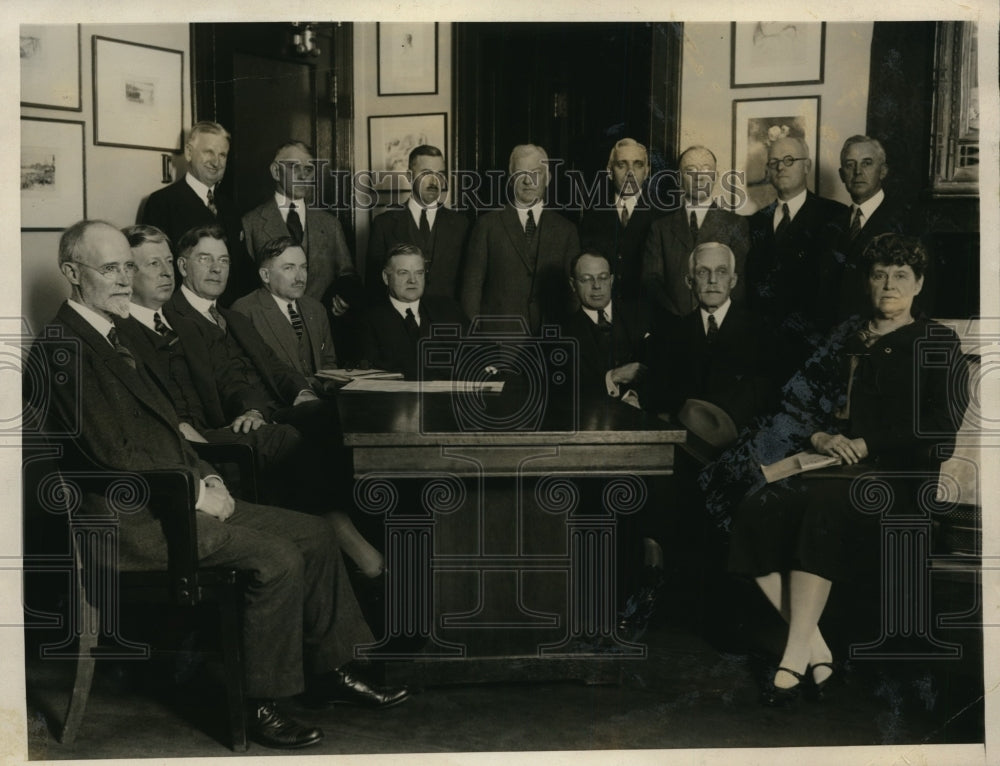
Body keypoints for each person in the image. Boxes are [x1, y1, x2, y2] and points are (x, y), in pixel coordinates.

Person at [28, 220, 408, 749]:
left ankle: (329, 673)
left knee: (315, 536)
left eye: (127, 267)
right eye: (109, 268)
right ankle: (260, 702)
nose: (124, 279)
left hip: (173, 497)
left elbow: (165, 429)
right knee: (277, 558)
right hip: (134, 523)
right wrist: (196, 489)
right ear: (72, 273)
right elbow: (110, 453)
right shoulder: (64, 345)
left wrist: (206, 473)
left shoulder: (113, 334)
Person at [726, 233, 966, 705]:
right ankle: (816, 648)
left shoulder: (936, 340)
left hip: (897, 479)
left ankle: (793, 658)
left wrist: (867, 441)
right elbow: (797, 403)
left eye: (901, 276)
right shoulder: (844, 336)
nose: (889, 286)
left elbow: (941, 429)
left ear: (918, 284)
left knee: (820, 508)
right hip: (831, 465)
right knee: (754, 504)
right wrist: (819, 436)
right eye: (879, 275)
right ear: (866, 282)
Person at [115, 224, 304, 495]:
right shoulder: (119, 332)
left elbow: (228, 377)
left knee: (289, 436)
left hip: (212, 431)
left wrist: (251, 410)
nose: (166, 272)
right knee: (284, 440)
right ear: (128, 273)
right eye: (154, 263)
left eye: (168, 261)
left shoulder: (187, 325)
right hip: (176, 444)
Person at [242, 140, 365, 361]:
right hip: (271, 334)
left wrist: (342, 297)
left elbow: (347, 272)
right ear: (275, 171)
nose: (303, 174)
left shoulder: (329, 224)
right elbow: (247, 284)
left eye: (308, 169)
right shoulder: (251, 223)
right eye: (293, 167)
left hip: (321, 333)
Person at [647, 242, 777, 441]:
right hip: (686, 449)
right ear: (689, 281)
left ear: (733, 280)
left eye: (722, 271)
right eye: (702, 272)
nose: (713, 280)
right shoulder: (670, 334)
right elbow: (660, 400)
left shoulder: (762, 331)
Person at [744, 135, 847, 381]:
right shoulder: (754, 222)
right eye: (774, 161)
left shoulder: (835, 216)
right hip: (764, 353)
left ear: (807, 166)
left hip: (813, 351)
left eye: (789, 160)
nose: (781, 167)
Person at [460, 143, 580, 333]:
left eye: (536, 173)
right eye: (520, 174)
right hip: (499, 345)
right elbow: (471, 293)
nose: (527, 181)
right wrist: (480, 346)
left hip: (552, 345)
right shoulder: (486, 225)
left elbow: (574, 295)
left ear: (547, 178)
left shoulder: (566, 230)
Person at [140, 121, 255, 306]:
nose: (216, 162)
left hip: (230, 313)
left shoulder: (230, 208)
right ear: (188, 152)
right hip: (184, 314)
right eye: (208, 152)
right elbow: (155, 270)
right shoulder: (162, 203)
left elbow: (242, 267)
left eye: (222, 155)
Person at [642, 145, 750, 321]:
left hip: (718, 327)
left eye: (706, 170)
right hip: (673, 326)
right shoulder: (660, 228)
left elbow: (739, 283)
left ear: (715, 177)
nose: (699, 178)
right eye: (690, 171)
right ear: (678, 178)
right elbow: (651, 281)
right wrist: (678, 319)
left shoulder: (735, 224)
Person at [366, 144, 470, 302]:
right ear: (409, 176)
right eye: (426, 173)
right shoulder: (384, 224)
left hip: (447, 320)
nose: (434, 181)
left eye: (440, 174)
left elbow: (469, 283)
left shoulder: (461, 224)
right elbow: (374, 286)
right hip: (398, 322)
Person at [232, 236, 339, 383]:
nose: (300, 277)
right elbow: (246, 375)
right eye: (289, 268)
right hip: (279, 403)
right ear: (265, 275)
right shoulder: (245, 311)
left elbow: (329, 362)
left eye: (303, 267)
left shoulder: (315, 309)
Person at [361, 243, 468, 379]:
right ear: (385, 277)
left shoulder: (448, 308)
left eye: (419, 273)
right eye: (403, 273)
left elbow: (483, 351)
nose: (413, 280)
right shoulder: (370, 319)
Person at [834, 135, 911, 320]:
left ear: (883, 171)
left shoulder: (907, 222)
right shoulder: (832, 223)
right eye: (850, 165)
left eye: (867, 163)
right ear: (842, 174)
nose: (858, 172)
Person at [578, 138, 663, 301]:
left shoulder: (662, 216)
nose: (630, 172)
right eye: (621, 165)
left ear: (646, 171)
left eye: (637, 164)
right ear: (609, 171)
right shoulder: (592, 216)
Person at [560, 249, 648, 404]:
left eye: (603, 277)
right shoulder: (561, 334)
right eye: (586, 279)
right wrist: (611, 378)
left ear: (612, 280)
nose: (597, 286)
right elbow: (565, 391)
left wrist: (634, 395)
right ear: (572, 284)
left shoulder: (643, 317)